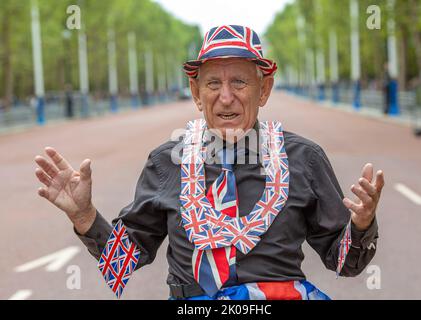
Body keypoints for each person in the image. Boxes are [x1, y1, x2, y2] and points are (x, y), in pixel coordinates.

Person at [34, 25, 384, 300]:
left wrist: (362, 223)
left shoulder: (304, 159)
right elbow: (124, 263)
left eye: (240, 82)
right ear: (196, 93)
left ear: (264, 91)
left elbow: (346, 264)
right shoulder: (164, 163)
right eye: (213, 83)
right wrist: (83, 216)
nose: (225, 97)